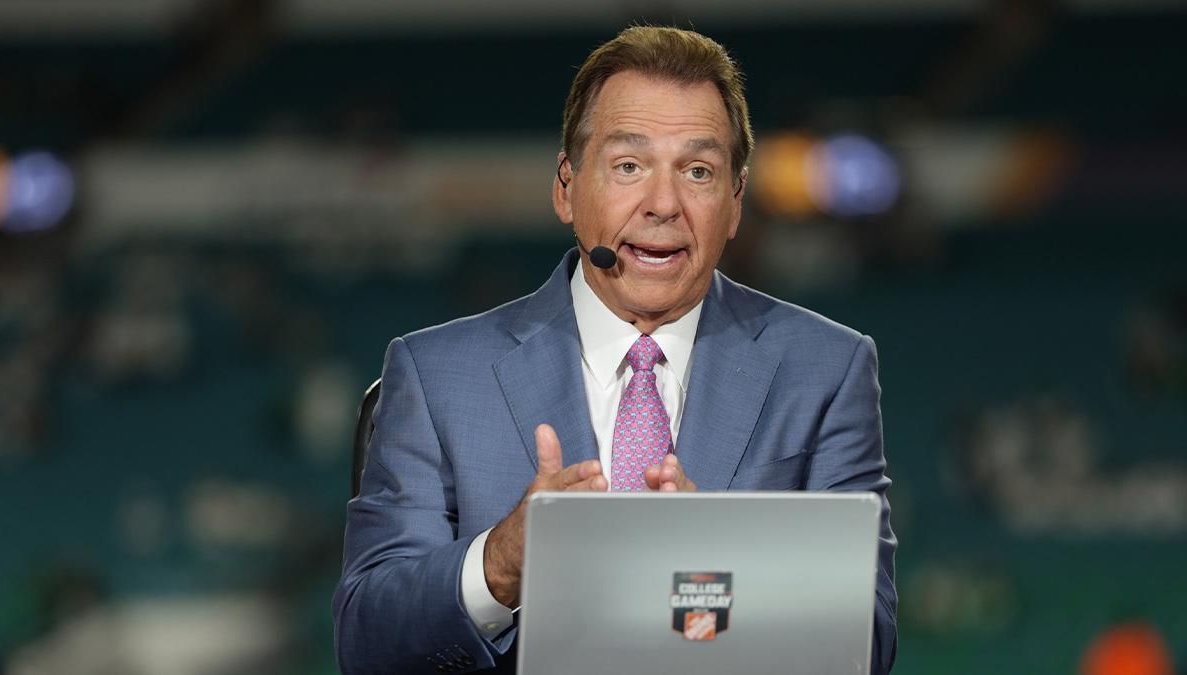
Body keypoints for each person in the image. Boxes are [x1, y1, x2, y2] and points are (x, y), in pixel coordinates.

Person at [333, 25, 897, 674]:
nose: (663, 204)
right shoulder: (438, 376)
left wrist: (722, 564)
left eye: (698, 171)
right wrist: (501, 563)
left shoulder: (827, 370)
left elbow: (870, 642)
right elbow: (367, 642)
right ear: (566, 187)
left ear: (736, 201)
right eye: (629, 166)